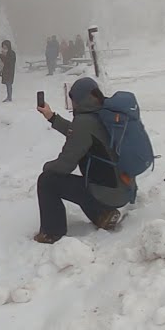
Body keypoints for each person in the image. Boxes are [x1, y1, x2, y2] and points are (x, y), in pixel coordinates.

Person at [32, 77, 133, 244]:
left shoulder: (84, 122)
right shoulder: (103, 113)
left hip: (109, 192)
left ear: (79, 99)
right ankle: (102, 214)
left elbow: (65, 165)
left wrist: (46, 167)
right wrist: (52, 117)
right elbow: (78, 132)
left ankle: (52, 232)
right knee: (86, 182)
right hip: (123, 186)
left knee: (47, 181)